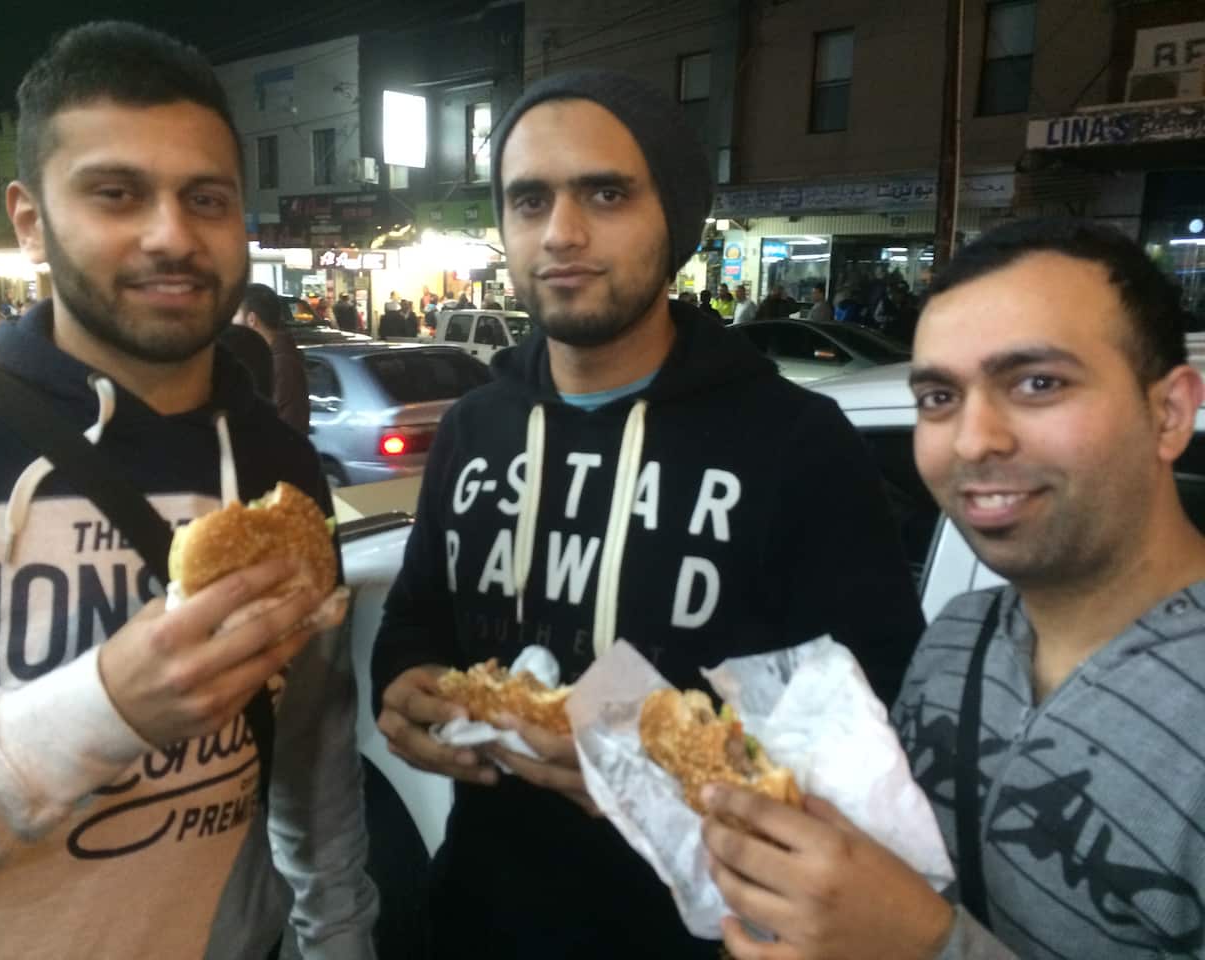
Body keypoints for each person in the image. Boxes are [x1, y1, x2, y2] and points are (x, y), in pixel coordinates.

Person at [370, 68, 923, 960]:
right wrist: (400, 689)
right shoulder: (476, 425)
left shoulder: (795, 442)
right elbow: (415, 618)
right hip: (477, 914)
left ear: (676, 219)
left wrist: (660, 773)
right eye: (528, 199)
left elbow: (877, 717)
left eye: (606, 192)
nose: (562, 232)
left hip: (704, 934)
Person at [0, 22, 378, 958]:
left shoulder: (280, 472)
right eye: (116, 193)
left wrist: (340, 943)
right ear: (29, 220)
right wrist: (103, 708)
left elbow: (309, 768)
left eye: (205, 197)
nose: (172, 235)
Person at [701, 218, 1205, 960]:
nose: (973, 440)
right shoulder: (959, 638)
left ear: (1168, 412)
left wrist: (930, 947)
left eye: (1038, 383)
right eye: (939, 397)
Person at [233, 283, 310, 434]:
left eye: (235, 314)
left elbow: (285, 427)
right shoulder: (271, 357)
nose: (232, 322)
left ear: (251, 319)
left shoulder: (282, 364)